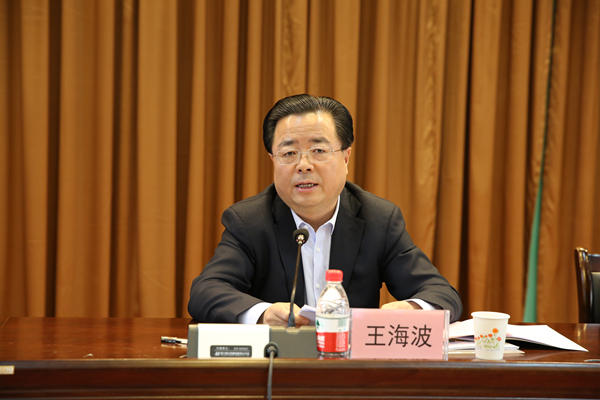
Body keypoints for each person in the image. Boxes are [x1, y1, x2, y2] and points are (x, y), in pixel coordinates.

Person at [188, 94, 462, 326]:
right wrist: (264, 314)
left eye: (318, 150)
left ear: (346, 157)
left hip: (350, 368)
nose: (303, 165)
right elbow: (206, 292)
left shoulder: (378, 219)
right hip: (278, 364)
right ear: (272, 160)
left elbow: (441, 293)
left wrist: (412, 309)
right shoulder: (249, 221)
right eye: (289, 153)